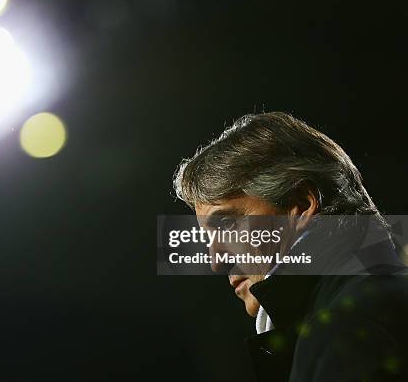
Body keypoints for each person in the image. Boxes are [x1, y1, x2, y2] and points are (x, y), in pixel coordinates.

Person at [173, 112, 408, 381]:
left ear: (302, 205)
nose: (216, 260)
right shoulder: (361, 309)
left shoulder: (350, 327)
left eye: (226, 225)